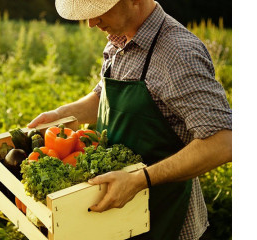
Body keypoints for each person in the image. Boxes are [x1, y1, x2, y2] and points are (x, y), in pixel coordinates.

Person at [28, 0, 232, 239]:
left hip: (165, 217)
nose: (91, 23)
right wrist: (61, 114)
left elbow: (224, 142)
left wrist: (138, 180)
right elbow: (104, 96)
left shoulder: (178, 53)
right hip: (118, 217)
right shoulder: (120, 39)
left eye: (98, 11)